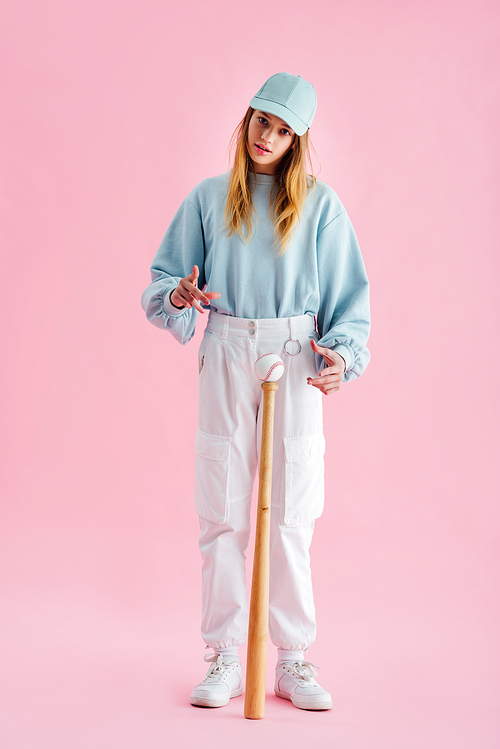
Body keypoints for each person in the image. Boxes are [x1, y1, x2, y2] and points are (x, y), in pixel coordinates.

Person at [141, 72, 370, 711]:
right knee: (222, 509)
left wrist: (342, 357)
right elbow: (165, 282)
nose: (266, 137)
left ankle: (292, 658)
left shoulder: (320, 206)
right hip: (227, 347)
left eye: (282, 129)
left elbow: (351, 298)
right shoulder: (208, 199)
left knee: (293, 511)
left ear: (298, 141)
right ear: (244, 120)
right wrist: (179, 296)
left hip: (295, 353)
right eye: (260, 121)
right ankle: (225, 656)